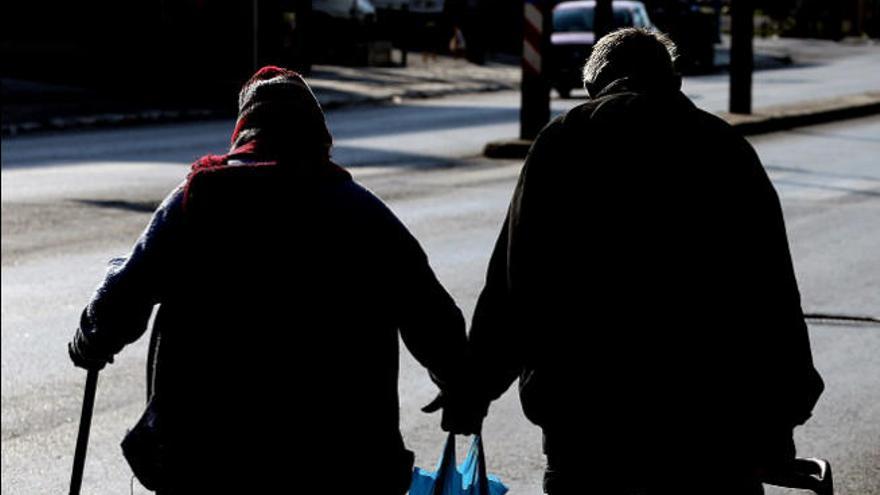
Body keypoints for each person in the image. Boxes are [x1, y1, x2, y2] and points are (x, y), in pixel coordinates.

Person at [455, 28, 825, 494]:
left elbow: (518, 282)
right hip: (713, 427)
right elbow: (770, 290)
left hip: (589, 427)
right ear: (674, 79)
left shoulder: (566, 140)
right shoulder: (723, 146)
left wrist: (474, 388)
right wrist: (781, 418)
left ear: (595, 85)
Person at [68, 66, 469, 494]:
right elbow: (433, 317)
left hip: (208, 460)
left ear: (242, 134)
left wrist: (90, 339)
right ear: (321, 141)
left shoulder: (198, 202)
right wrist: (459, 387)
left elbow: (124, 293)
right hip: (343, 462)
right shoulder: (364, 214)